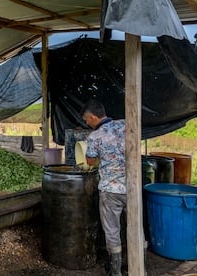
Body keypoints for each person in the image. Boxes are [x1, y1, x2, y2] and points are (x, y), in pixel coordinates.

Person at [81, 99, 126, 276]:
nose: (87, 123)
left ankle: (115, 272)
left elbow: (90, 161)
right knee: (136, 226)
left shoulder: (95, 137)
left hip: (110, 190)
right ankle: (141, 266)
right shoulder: (125, 124)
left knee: (112, 230)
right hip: (132, 186)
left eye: (86, 120)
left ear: (93, 117)